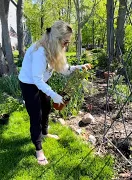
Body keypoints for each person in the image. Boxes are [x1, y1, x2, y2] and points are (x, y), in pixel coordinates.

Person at [18, 20, 91, 165]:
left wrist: (79, 67)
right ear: (56, 39)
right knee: (36, 114)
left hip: (40, 82)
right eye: (65, 42)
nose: (67, 45)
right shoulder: (40, 51)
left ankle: (44, 133)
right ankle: (38, 149)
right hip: (28, 83)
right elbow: (36, 80)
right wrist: (55, 95)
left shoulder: (54, 49)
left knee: (46, 107)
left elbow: (64, 69)